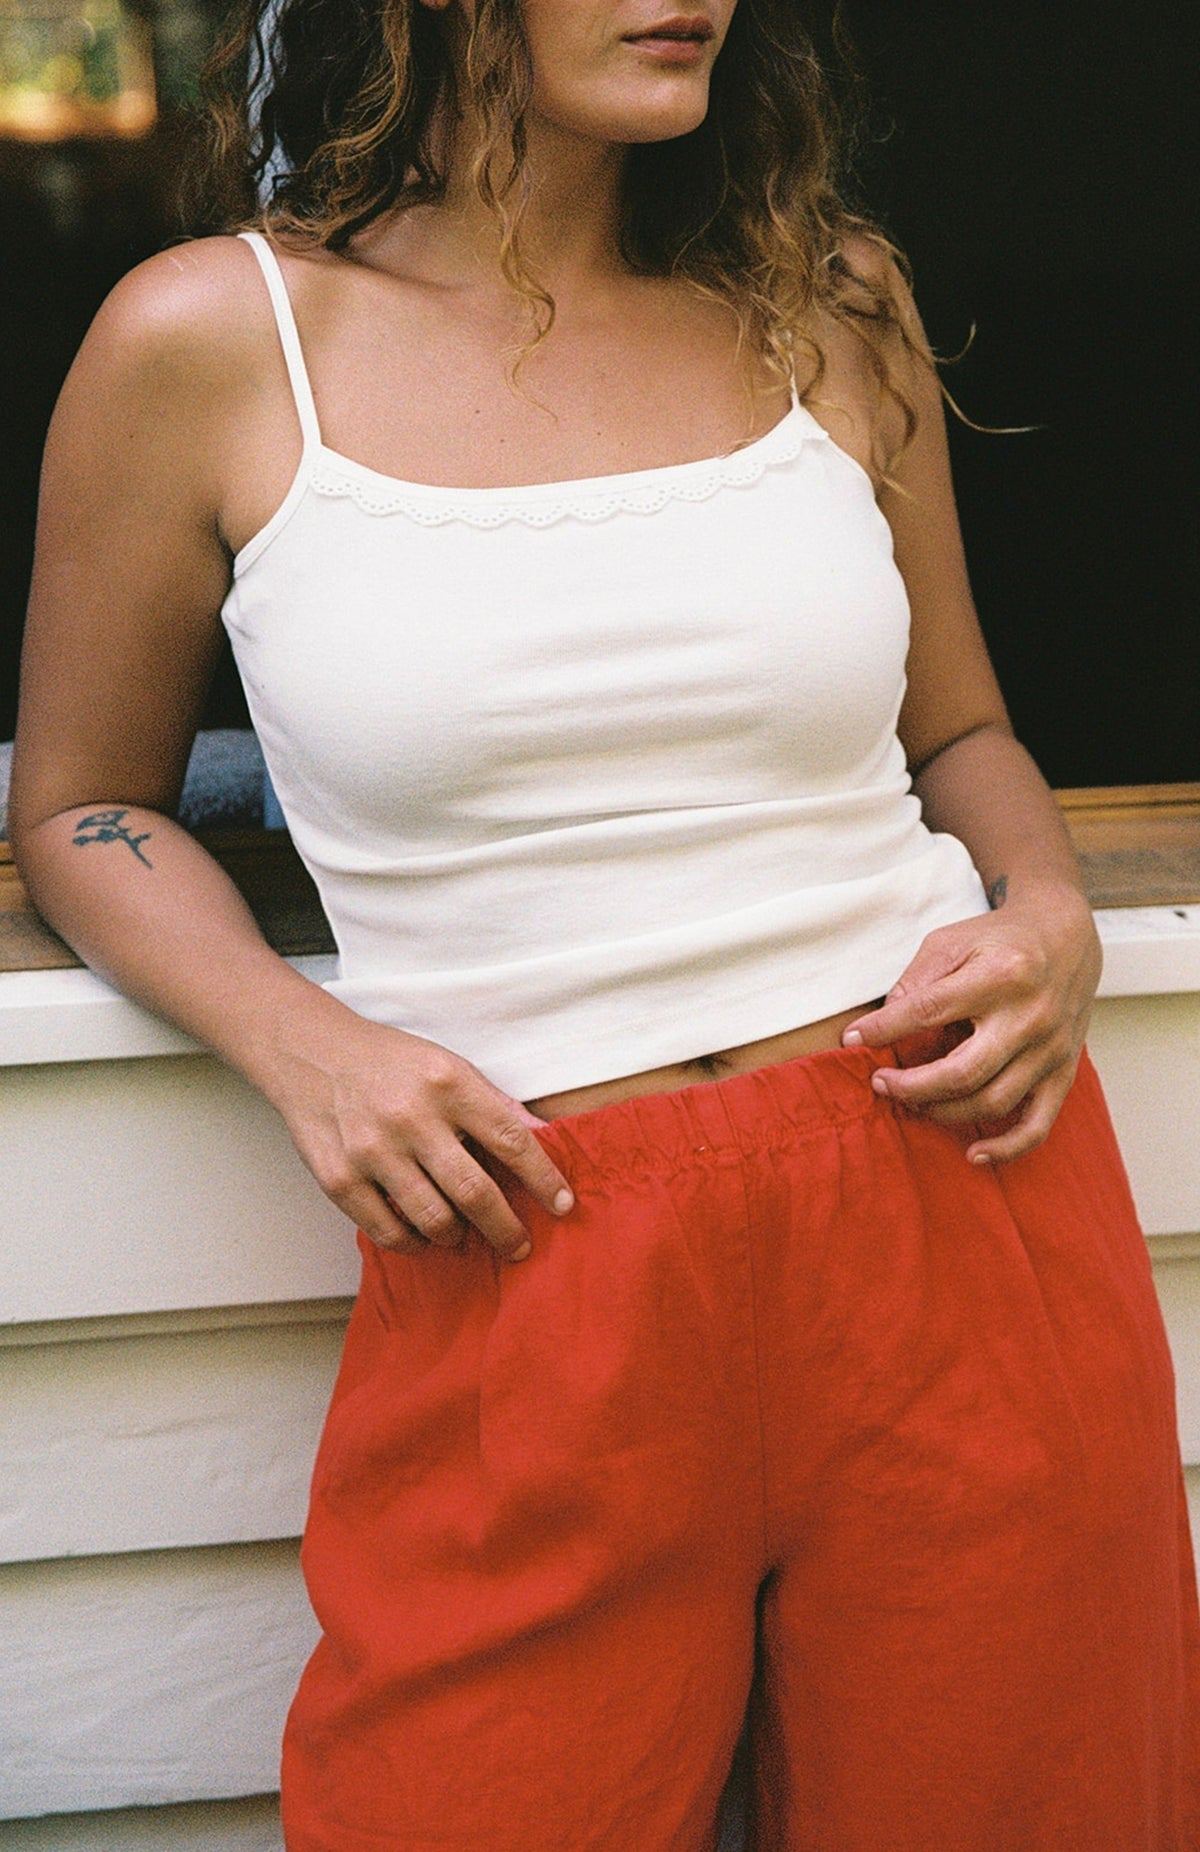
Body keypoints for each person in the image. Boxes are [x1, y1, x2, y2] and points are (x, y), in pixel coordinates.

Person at [9, 1, 1199, 1846]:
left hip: (953, 1203)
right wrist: (306, 1048)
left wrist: (1049, 913)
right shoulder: (214, 342)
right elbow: (83, 804)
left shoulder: (830, 298)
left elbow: (960, 729)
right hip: (533, 1235)